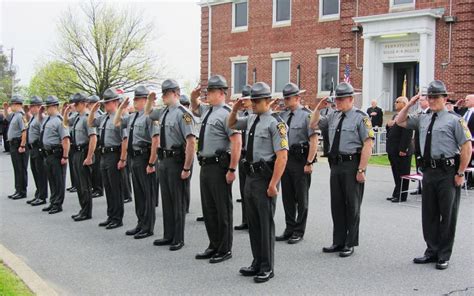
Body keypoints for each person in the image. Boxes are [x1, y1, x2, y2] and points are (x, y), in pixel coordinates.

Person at [396, 80, 472, 270]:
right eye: (429, 97)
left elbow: (466, 147)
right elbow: (399, 121)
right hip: (428, 171)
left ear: (445, 98)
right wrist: (409, 104)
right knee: (429, 213)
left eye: (436, 97)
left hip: (447, 172)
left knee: (447, 214)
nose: (432, 100)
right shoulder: (423, 118)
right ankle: (431, 251)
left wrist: (461, 172)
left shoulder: (455, 120)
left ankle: (443, 254)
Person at [229, 81, 288, 283]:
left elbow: (282, 157)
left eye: (258, 100)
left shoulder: (276, 123)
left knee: (265, 224)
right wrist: (236, 108)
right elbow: (232, 124)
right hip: (251, 176)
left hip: (265, 178)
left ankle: (267, 267)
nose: (254, 104)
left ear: (268, 101)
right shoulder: (251, 118)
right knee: (253, 224)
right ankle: (256, 261)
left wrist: (273, 184)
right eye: (252, 100)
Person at [310, 82, 374, 258]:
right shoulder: (333, 116)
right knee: (337, 204)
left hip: (352, 163)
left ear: (351, 99)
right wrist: (318, 107)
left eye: (341, 98)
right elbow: (313, 124)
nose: (337, 102)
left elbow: (368, 144)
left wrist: (361, 169)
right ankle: (338, 240)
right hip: (336, 164)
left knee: (352, 205)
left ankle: (350, 242)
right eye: (336, 99)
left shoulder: (361, 118)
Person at [190, 75, 241, 263]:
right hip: (206, 165)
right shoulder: (208, 111)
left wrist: (232, 169)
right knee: (209, 209)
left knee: (222, 209)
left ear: (221, 93)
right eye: (207, 92)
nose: (207, 95)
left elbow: (236, 143)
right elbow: (195, 107)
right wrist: (193, 95)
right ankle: (213, 244)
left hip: (220, 166)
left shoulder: (228, 113)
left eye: (210, 92)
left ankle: (225, 248)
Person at [146, 79, 196, 251]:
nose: (164, 96)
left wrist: (187, 167)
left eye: (167, 93)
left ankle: (178, 238)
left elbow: (190, 142)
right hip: (164, 160)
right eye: (163, 94)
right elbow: (148, 112)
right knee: (166, 200)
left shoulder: (184, 113)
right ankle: (168, 235)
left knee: (177, 201)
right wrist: (149, 100)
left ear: (176, 93)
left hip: (176, 160)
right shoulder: (164, 112)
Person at [115, 85, 159, 240]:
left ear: (145, 100)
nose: (135, 101)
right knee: (139, 194)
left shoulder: (151, 116)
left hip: (145, 156)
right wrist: (121, 107)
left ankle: (148, 227)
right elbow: (117, 122)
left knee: (148, 194)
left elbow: (155, 140)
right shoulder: (133, 116)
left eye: (138, 99)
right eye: (135, 98)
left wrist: (152, 162)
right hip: (134, 157)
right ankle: (140, 223)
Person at [276, 83, 318, 244]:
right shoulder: (283, 116)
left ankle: (299, 230)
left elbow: (313, 140)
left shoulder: (308, 115)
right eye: (284, 98)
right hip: (286, 160)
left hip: (301, 161)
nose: (285, 101)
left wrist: (309, 162)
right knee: (287, 196)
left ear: (297, 98)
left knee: (301, 197)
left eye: (288, 98)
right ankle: (289, 228)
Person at [88, 88, 128, 229]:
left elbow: (125, 140)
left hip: (114, 154)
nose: (106, 105)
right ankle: (111, 215)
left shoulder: (121, 117)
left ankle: (117, 218)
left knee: (116, 188)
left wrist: (122, 159)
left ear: (116, 102)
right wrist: (93, 110)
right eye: (104, 103)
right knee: (108, 188)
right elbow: (91, 123)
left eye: (108, 102)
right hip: (104, 154)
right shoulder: (104, 117)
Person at [63, 93, 97, 222]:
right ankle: (82, 209)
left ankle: (86, 211)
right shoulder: (77, 117)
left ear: (83, 103)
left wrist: (89, 157)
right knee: (78, 183)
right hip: (76, 152)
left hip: (84, 151)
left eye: (76, 104)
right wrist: (67, 111)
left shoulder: (87, 118)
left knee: (85, 184)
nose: (74, 106)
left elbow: (93, 138)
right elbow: (65, 123)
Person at [40, 96, 70, 214]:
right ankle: (53, 201)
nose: (46, 108)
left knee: (58, 180)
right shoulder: (48, 119)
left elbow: (66, 140)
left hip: (56, 153)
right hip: (48, 154)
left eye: (48, 106)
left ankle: (58, 204)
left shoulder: (60, 120)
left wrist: (65, 156)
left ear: (54, 106)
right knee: (51, 180)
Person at [385, 96, 414, 202]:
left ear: (404, 103)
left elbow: (407, 133)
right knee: (396, 172)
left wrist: (403, 149)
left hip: (401, 150)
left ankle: (402, 195)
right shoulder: (395, 116)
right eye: (395, 101)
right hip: (393, 149)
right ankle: (396, 193)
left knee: (403, 173)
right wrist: (388, 125)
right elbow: (391, 131)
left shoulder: (407, 116)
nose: (395, 103)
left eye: (397, 102)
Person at [234, 84, 252, 231]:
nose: (243, 102)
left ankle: (253, 221)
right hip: (243, 155)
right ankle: (246, 220)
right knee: (243, 190)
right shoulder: (243, 117)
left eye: (246, 99)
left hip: (254, 157)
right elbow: (232, 124)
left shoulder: (256, 117)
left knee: (254, 191)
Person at [4, 96, 29, 200]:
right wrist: (5, 109)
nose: (11, 106)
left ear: (17, 104)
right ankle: (18, 189)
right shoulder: (15, 115)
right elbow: (6, 117)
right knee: (17, 168)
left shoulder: (21, 116)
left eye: (12, 104)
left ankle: (22, 191)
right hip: (14, 144)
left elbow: (24, 131)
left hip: (19, 144)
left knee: (20, 169)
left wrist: (22, 145)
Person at [25, 96, 48, 206]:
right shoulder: (33, 117)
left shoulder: (41, 117)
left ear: (39, 107)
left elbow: (43, 133)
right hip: (32, 148)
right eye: (31, 106)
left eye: (33, 106)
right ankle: (38, 194)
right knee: (35, 172)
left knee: (41, 173)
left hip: (38, 148)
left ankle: (42, 196)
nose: (31, 108)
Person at [412, 95, 430, 195]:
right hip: (418, 146)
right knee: (418, 167)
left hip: (425, 147)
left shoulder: (430, 114)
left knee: (425, 168)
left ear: (427, 102)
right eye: (419, 101)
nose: (420, 102)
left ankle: (426, 188)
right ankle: (420, 187)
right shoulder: (419, 114)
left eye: (422, 100)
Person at [88, 94, 104, 198]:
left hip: (98, 142)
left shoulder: (98, 114)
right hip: (96, 142)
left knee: (97, 167)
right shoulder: (93, 114)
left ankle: (98, 188)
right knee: (94, 167)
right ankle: (95, 187)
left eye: (90, 103)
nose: (88, 105)